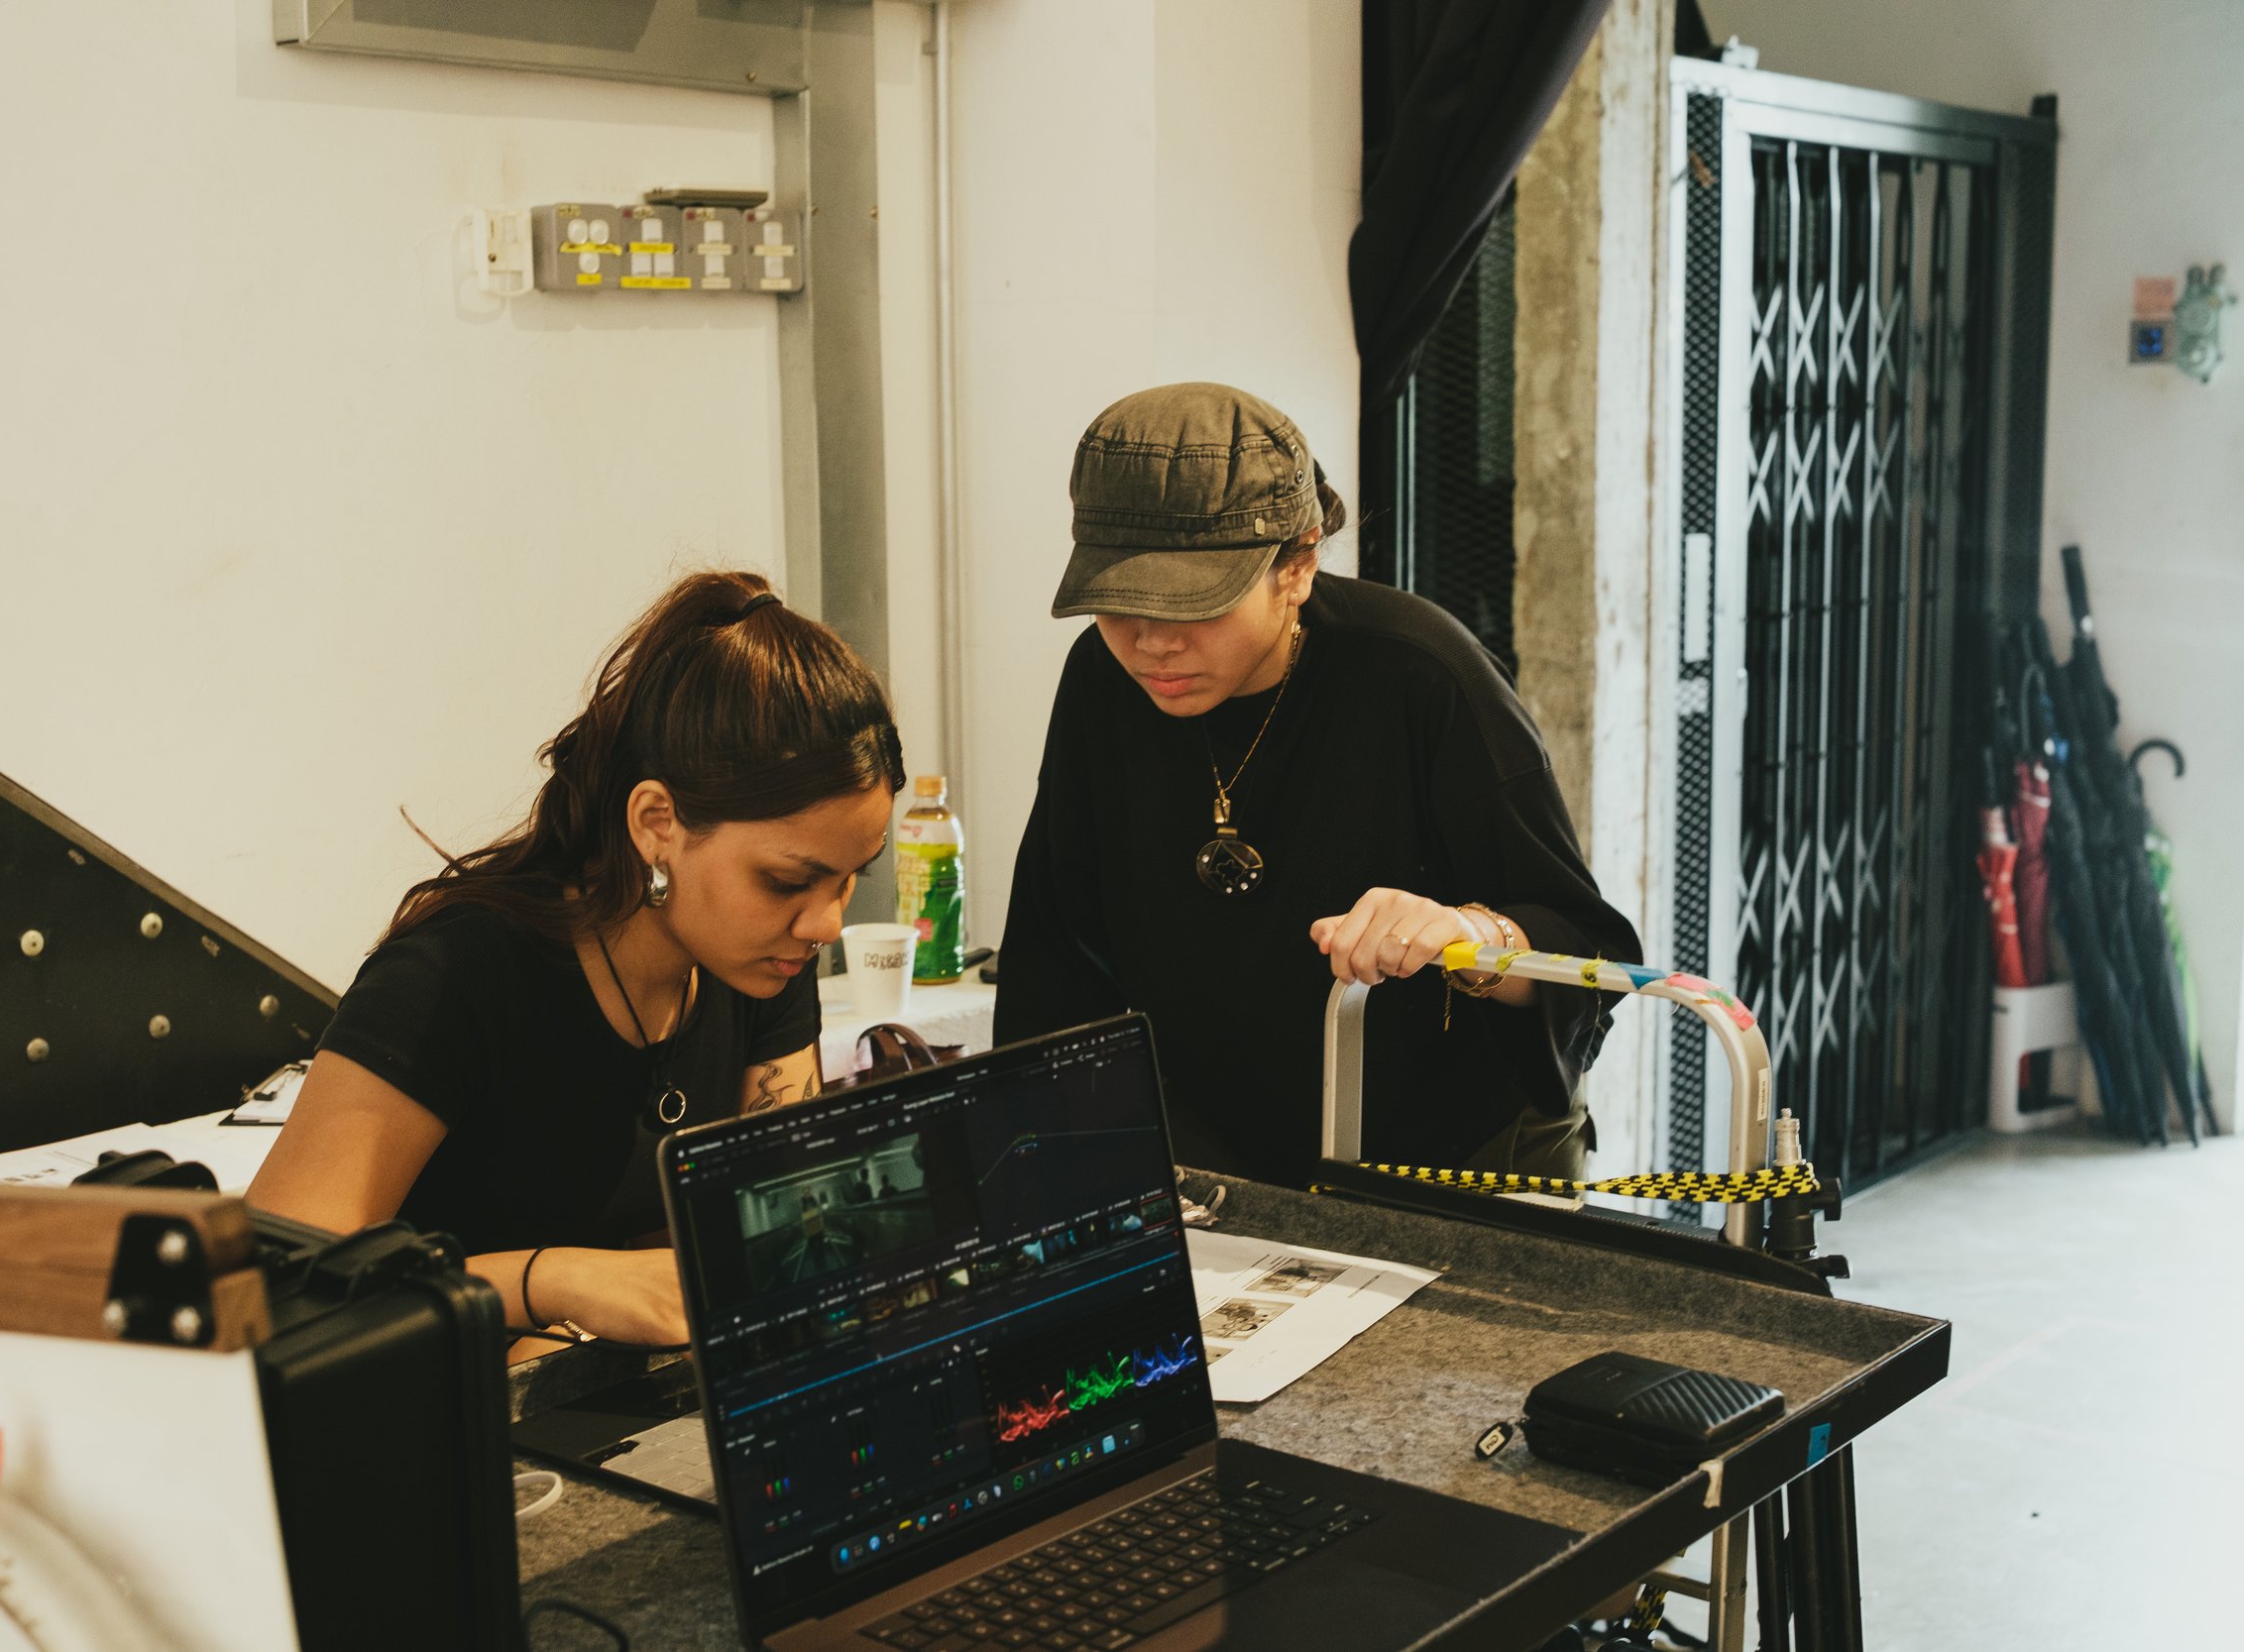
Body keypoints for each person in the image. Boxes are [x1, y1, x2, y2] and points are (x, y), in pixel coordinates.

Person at [995, 384, 1640, 1189]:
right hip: (1222, 1154)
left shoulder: (1421, 675)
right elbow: (1053, 959)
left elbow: (1592, 955)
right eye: (1117, 603)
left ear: (1296, 566)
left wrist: (1466, 934)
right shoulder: (1102, 680)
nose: (1151, 644)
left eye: (1195, 604)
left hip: (1460, 1155)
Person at [249, 572, 904, 1351]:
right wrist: (549, 1279)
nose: (826, 921)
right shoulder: (453, 980)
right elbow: (273, 1292)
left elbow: (786, 1227)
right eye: (788, 880)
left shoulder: (760, 960)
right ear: (657, 822)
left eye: (850, 875)